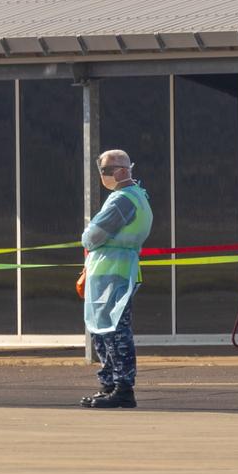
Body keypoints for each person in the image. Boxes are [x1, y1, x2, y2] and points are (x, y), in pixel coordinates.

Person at [80, 149, 153, 409]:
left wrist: (88, 235)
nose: (103, 177)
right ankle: (110, 383)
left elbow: (92, 236)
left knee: (114, 332)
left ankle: (122, 386)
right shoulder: (139, 196)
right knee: (103, 330)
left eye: (106, 172)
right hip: (117, 270)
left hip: (113, 272)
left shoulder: (122, 199)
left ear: (122, 171)